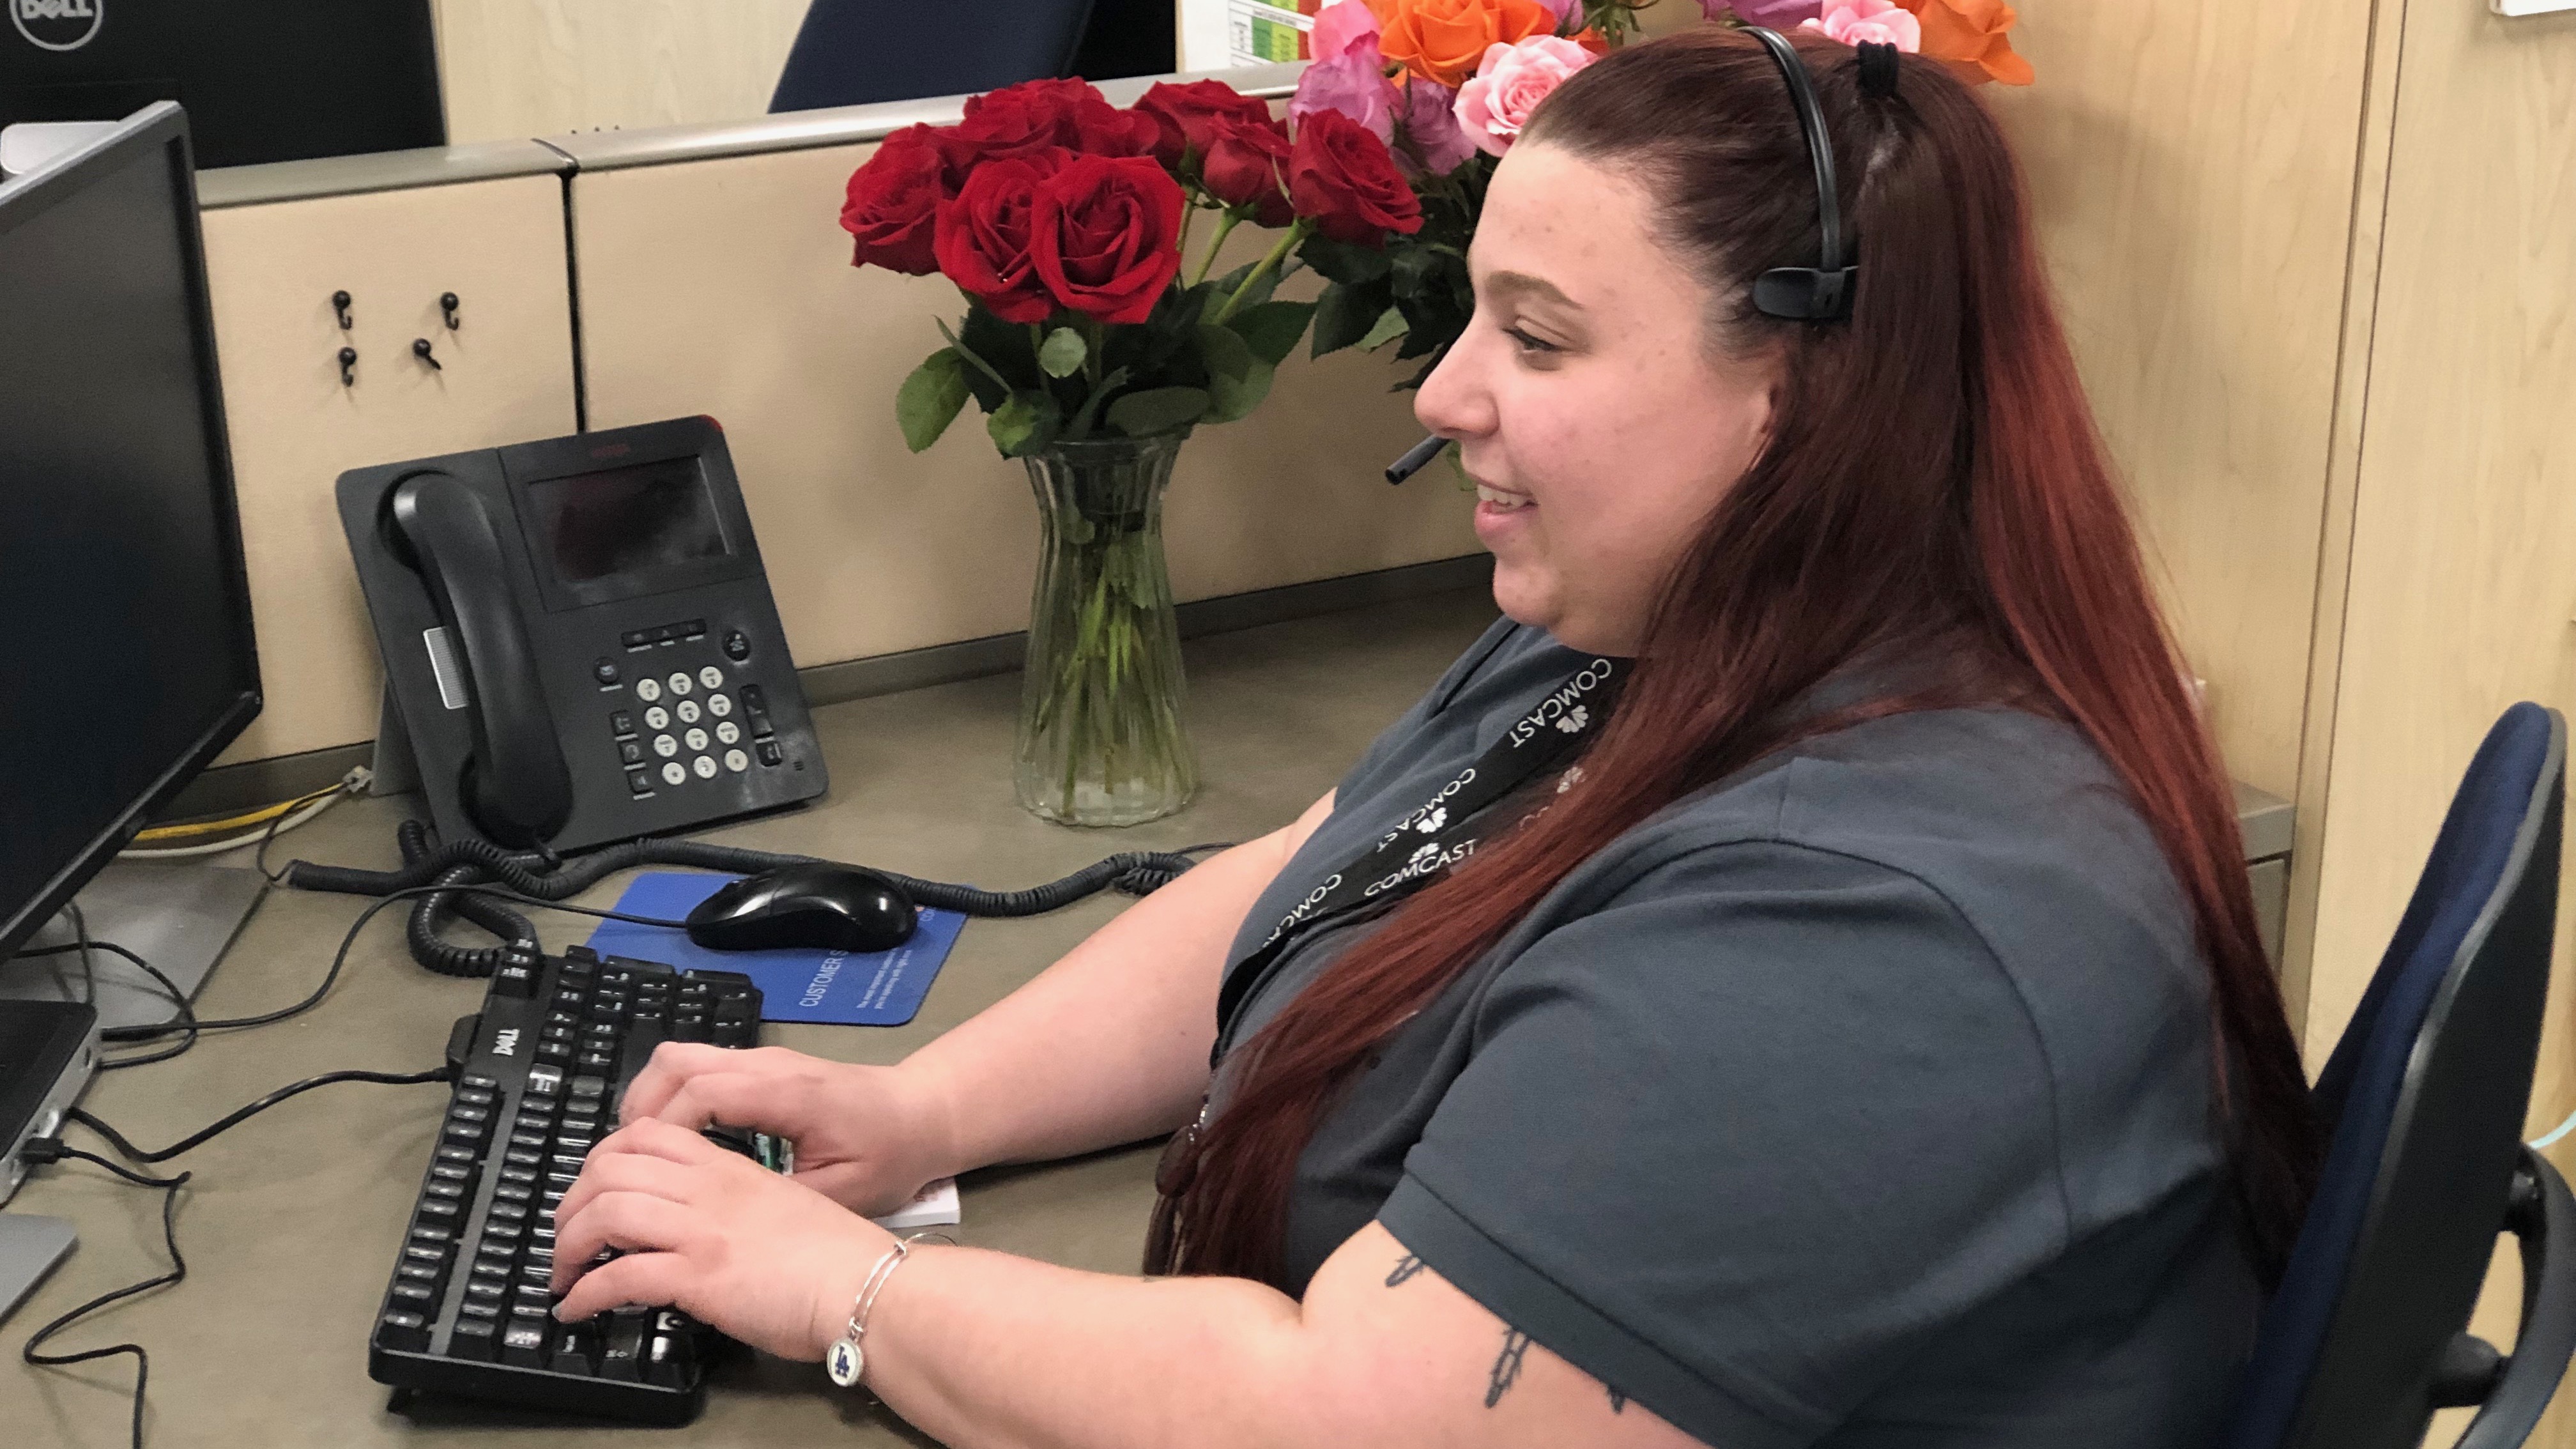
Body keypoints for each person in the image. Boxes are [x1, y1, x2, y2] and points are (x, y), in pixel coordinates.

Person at [548, 27, 2319, 1448]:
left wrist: (838, 1290)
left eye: (1536, 338)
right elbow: (1325, 868)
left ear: (1802, 401)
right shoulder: (1657, 626)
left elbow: (1346, 1414)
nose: (1442, 390)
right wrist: (922, 1110)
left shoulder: (1876, 927)